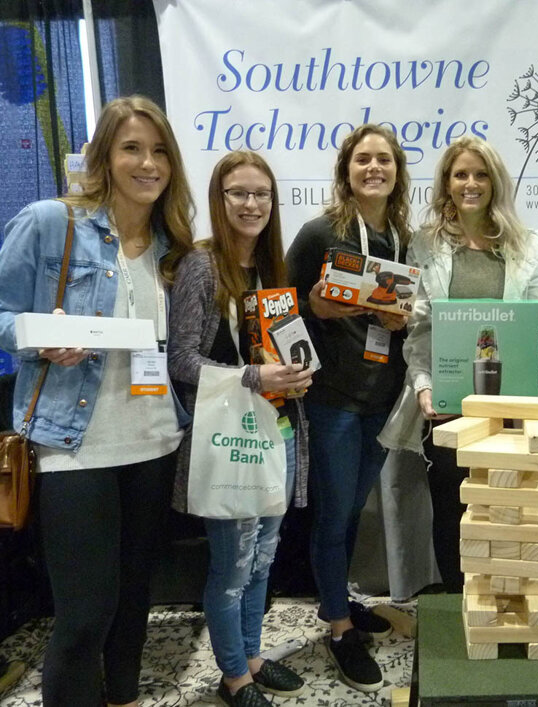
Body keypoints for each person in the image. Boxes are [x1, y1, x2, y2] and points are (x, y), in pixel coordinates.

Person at [0, 95, 193, 707]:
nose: (148, 164)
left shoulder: (175, 246)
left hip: (154, 439)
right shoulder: (50, 221)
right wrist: (39, 337)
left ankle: (125, 698)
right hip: (73, 447)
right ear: (104, 156)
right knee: (85, 615)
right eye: (132, 148)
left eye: (159, 151)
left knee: (135, 600)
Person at [379, 136, 538, 593]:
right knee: (453, 504)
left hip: (514, 403)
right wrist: (423, 384)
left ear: (496, 182)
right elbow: (419, 330)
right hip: (449, 404)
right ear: (446, 183)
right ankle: (461, 600)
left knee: (510, 506)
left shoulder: (528, 246)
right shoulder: (425, 245)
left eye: (481, 174)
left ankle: (508, 598)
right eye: (460, 174)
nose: (470, 183)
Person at [168, 151, 313, 707]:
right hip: (229, 440)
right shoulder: (202, 267)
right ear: (219, 198)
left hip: (278, 431)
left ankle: (253, 656)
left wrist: (295, 376)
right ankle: (234, 678)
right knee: (231, 567)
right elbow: (180, 360)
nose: (251, 204)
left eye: (261, 194)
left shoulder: (271, 269)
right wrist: (256, 375)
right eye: (238, 193)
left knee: (263, 560)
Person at [285, 124, 412, 692]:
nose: (374, 169)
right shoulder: (320, 234)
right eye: (363, 160)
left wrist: (406, 321)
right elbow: (277, 309)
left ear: (397, 172)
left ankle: (337, 600)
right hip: (333, 399)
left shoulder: (407, 239)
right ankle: (339, 628)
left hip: (384, 400)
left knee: (352, 511)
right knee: (334, 517)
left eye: (384, 160)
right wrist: (316, 311)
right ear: (346, 170)